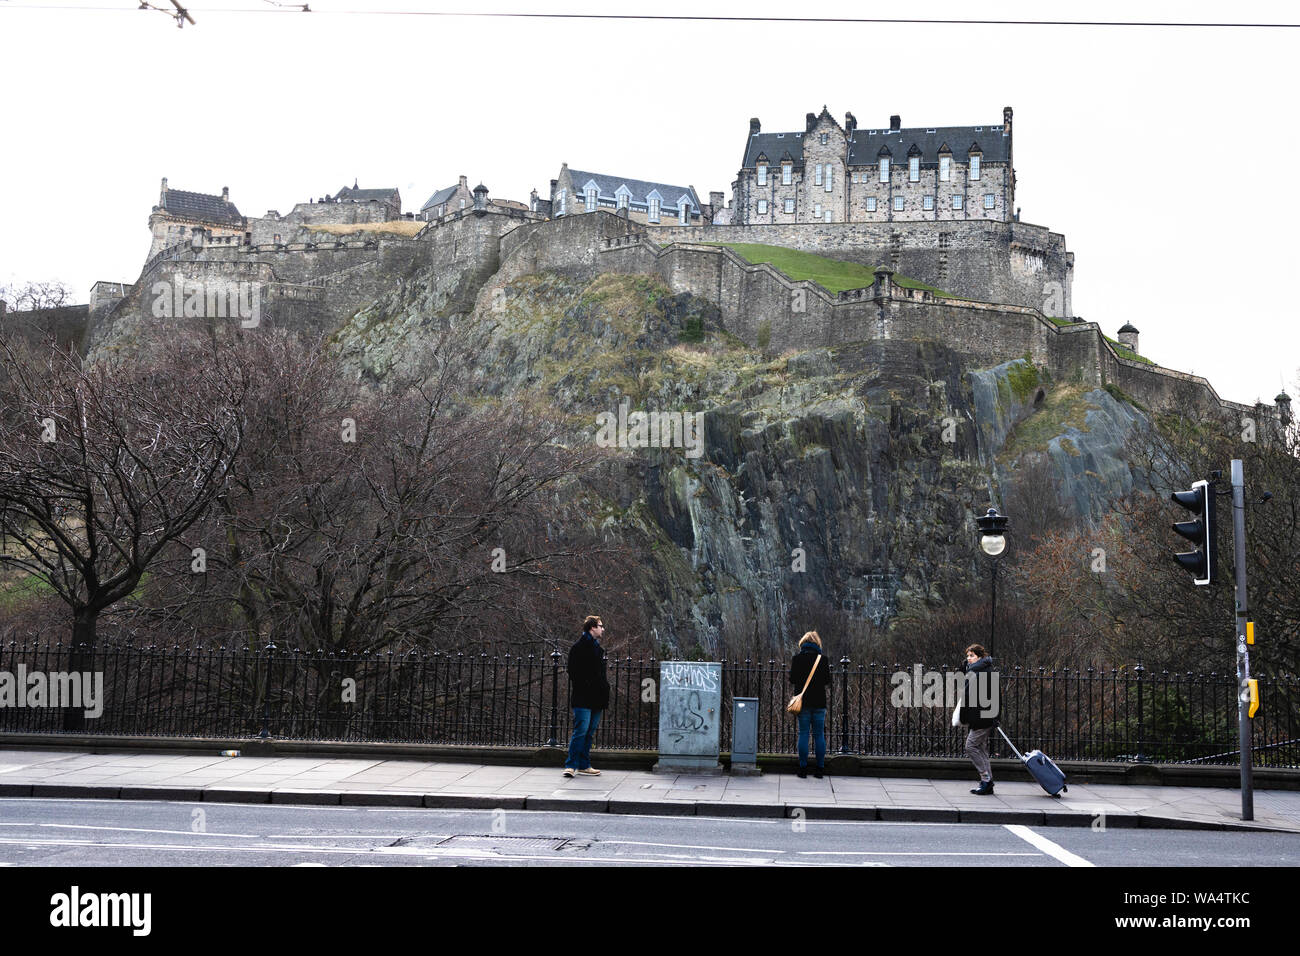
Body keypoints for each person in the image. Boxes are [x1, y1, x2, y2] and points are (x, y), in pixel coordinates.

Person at [564, 615, 610, 778]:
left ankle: (583, 765)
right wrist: (590, 685)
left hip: (597, 697)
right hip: (584, 696)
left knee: (589, 732)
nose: (602, 629)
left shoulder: (597, 648)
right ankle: (571, 765)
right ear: (592, 628)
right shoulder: (579, 647)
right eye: (600, 625)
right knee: (581, 731)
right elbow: (573, 672)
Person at [788, 631, 830, 779]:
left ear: (803, 643)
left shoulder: (797, 659)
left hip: (803, 703)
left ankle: (803, 769)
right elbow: (827, 681)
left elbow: (792, 679)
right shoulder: (822, 660)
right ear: (817, 643)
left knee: (804, 734)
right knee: (819, 735)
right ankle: (819, 769)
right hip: (819, 702)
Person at [960, 643, 999, 795]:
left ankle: (986, 780)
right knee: (981, 749)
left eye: (972, 656)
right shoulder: (978, 670)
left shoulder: (983, 673)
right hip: (981, 717)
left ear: (980, 657)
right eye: (968, 656)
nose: (969, 658)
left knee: (970, 747)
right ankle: (987, 782)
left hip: (982, 718)